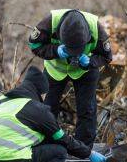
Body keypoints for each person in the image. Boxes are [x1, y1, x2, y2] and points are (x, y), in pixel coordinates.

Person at [28, 9, 112, 149]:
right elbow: (34, 45)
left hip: (84, 71)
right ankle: (46, 146)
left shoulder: (97, 29)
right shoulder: (49, 23)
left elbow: (107, 57)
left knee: (87, 109)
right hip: (55, 70)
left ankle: (83, 148)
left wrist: (91, 61)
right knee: (46, 108)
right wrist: (55, 51)